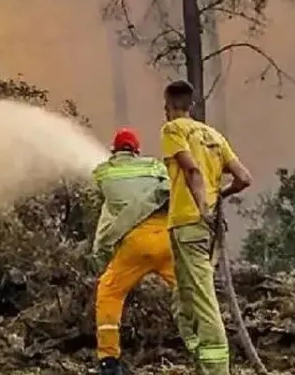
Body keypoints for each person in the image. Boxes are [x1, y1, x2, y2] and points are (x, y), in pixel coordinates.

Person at [160, 80, 253, 375]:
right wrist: (218, 197)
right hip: (204, 229)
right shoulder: (214, 135)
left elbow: (192, 170)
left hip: (189, 224)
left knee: (202, 298)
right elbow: (244, 178)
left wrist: (202, 208)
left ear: (168, 106)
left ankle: (217, 369)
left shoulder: (173, 130)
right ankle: (200, 359)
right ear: (192, 104)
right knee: (183, 298)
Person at [91, 127, 192, 375]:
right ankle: (205, 344)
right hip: (166, 240)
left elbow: (105, 198)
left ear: (114, 150)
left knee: (109, 292)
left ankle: (108, 360)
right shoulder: (154, 167)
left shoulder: (104, 171)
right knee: (190, 291)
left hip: (135, 244)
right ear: (137, 150)